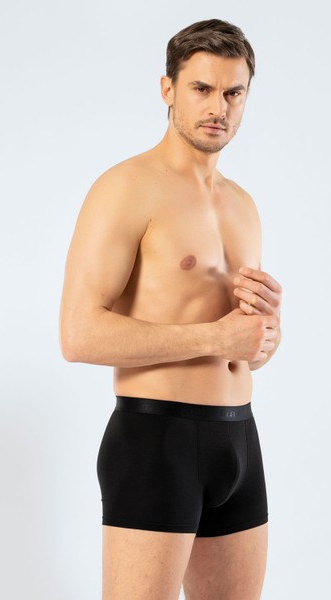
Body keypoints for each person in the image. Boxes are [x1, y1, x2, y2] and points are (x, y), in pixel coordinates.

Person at [59, 18, 282, 600]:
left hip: (239, 439)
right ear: (168, 89)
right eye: (201, 88)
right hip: (157, 439)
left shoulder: (243, 205)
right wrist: (215, 338)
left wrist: (264, 335)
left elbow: (247, 349)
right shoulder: (125, 188)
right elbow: (79, 334)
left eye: (233, 92)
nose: (219, 107)